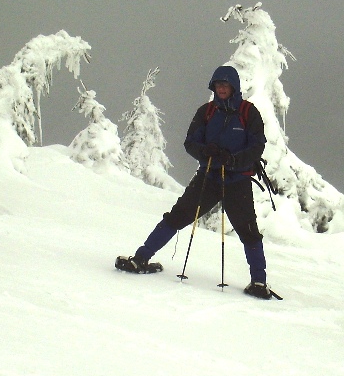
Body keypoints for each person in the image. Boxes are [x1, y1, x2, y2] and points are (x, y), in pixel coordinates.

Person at [115, 65, 278, 300]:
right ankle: (141, 258)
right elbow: (190, 143)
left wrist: (232, 160)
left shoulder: (248, 112)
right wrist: (206, 152)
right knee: (177, 216)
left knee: (248, 231)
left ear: (234, 87)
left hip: (237, 181)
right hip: (209, 177)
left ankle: (259, 282)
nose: (221, 89)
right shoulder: (206, 112)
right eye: (218, 85)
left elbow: (257, 147)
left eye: (225, 85)